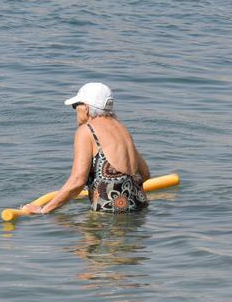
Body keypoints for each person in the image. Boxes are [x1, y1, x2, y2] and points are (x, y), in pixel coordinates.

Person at [22, 83, 151, 215]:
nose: (75, 110)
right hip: (140, 210)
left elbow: (77, 181)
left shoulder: (87, 130)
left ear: (86, 108)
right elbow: (145, 174)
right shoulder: (122, 129)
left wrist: (43, 210)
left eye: (75, 106)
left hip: (108, 220)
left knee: (59, 224)